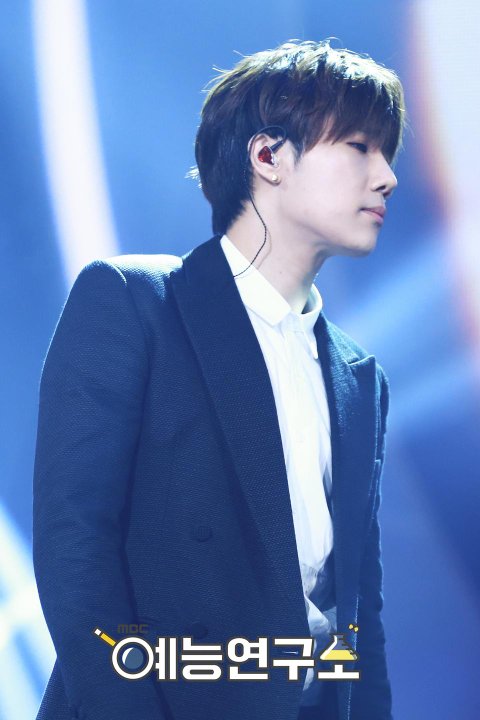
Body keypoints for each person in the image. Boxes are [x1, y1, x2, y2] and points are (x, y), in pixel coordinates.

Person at [33, 39, 406, 720]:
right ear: (267, 157)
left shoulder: (359, 376)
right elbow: (75, 551)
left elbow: (360, 612)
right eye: (359, 146)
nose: (386, 177)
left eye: (387, 154)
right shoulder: (135, 303)